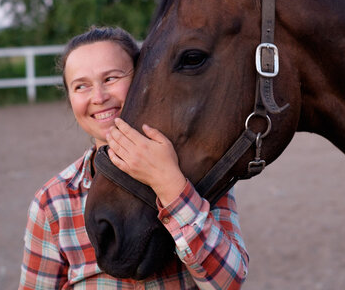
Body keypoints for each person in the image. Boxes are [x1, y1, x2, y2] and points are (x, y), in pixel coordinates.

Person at [19, 26, 249, 289]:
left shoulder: (200, 173)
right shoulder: (53, 202)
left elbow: (228, 283)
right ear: (70, 98)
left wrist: (170, 184)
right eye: (81, 86)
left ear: (143, 78)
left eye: (111, 78)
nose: (99, 97)